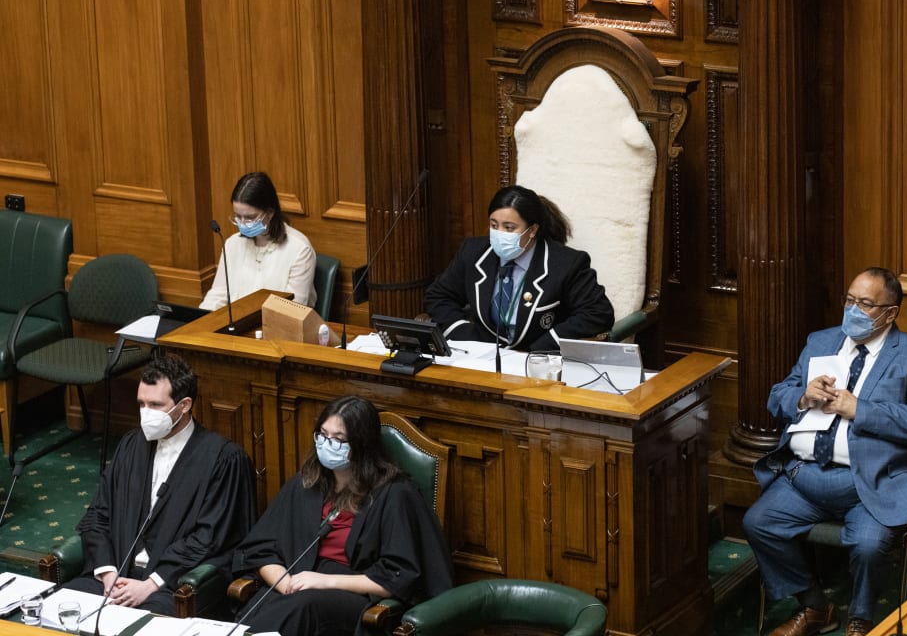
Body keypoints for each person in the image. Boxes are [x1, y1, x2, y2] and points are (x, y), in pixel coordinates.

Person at [742, 267, 907, 636]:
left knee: (869, 546)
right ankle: (816, 607)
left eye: (866, 304)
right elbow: (778, 395)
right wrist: (802, 395)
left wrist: (859, 410)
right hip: (803, 477)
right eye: (850, 300)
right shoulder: (821, 341)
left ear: (891, 312)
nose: (853, 310)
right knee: (759, 524)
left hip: (867, 483)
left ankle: (861, 619)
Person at [233, 396, 454, 636]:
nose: (327, 444)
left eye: (338, 439)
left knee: (303, 606)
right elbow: (260, 548)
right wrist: (284, 581)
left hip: (354, 598)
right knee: (270, 605)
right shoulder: (306, 483)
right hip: (294, 588)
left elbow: (397, 577)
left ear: (362, 445)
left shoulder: (394, 494)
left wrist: (323, 581)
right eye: (322, 435)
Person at [66, 354, 256, 615]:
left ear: (184, 405)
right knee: (62, 610)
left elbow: (209, 538)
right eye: (141, 404)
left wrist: (151, 584)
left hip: (171, 585)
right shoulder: (131, 445)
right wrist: (108, 573)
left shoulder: (223, 458)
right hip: (115, 575)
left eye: (155, 405)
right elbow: (99, 513)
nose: (146, 414)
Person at [424, 185, 614, 352]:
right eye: (494, 225)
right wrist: (465, 333)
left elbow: (598, 313)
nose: (499, 234)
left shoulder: (567, 263)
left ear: (532, 230)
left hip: (537, 361)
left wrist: (546, 344)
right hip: (481, 357)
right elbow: (438, 296)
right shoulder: (474, 252)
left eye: (509, 228)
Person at [200, 171, 317, 310]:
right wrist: (199, 322)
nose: (242, 223)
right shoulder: (232, 244)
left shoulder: (299, 249)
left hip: (277, 327)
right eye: (238, 216)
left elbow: (294, 308)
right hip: (235, 325)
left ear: (270, 213)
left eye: (250, 217)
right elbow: (218, 295)